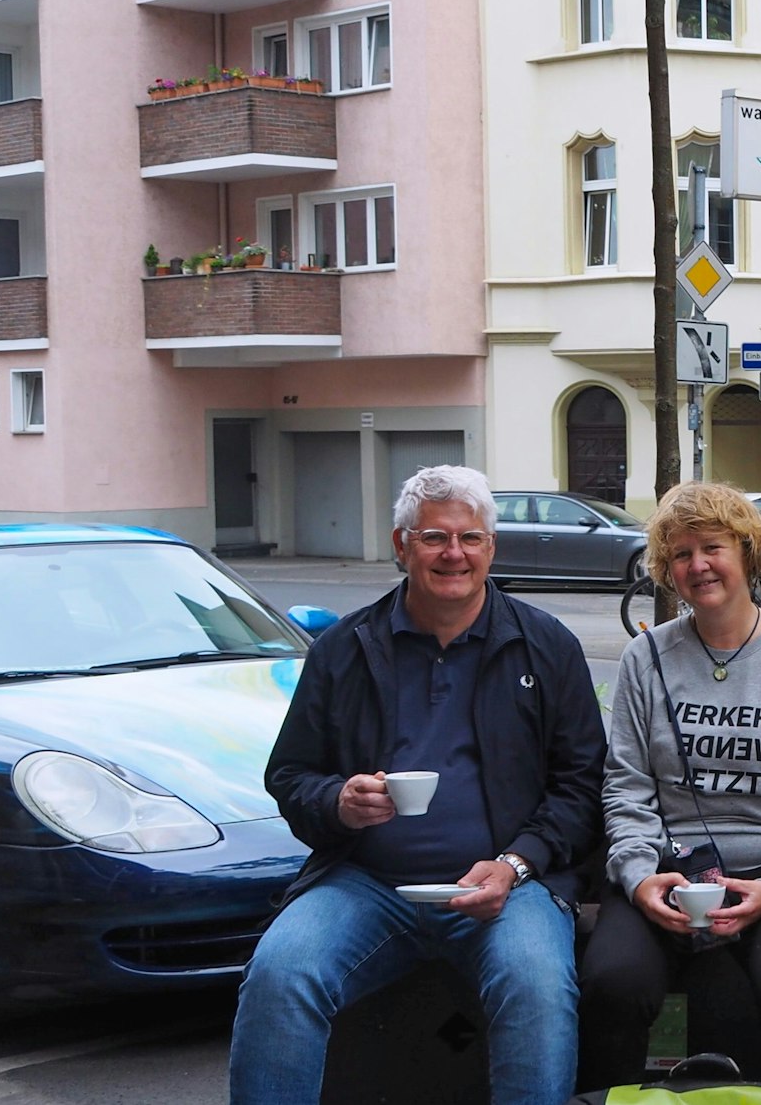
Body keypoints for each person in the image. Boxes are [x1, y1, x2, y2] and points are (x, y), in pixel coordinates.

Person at [230, 465, 605, 1105]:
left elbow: (582, 784)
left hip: (506, 889)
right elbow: (290, 774)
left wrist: (517, 863)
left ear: (492, 547)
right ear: (402, 546)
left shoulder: (545, 646)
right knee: (280, 973)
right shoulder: (344, 648)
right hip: (366, 883)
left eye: (470, 538)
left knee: (537, 985)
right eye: (434, 537)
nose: (453, 554)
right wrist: (339, 804)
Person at [577, 481, 761, 1091]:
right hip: (669, 871)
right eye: (680, 554)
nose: (697, 565)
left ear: (748, 551)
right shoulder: (645, 658)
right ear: (666, 569)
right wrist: (640, 877)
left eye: (712, 547)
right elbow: (625, 788)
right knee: (612, 982)